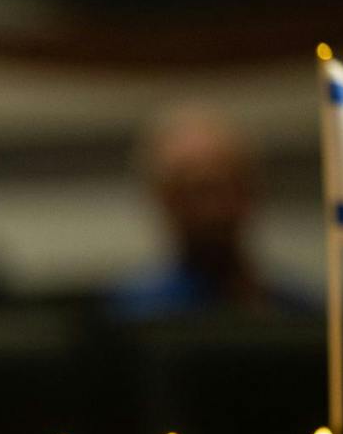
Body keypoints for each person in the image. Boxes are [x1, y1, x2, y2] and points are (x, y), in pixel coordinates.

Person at [113, 104, 310, 318]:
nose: (215, 209)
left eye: (230, 186)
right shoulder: (134, 316)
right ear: (164, 200)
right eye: (197, 190)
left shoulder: (298, 312)